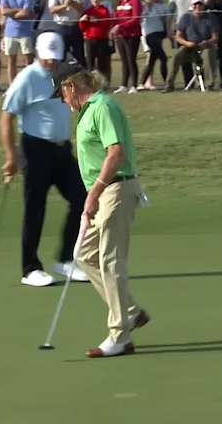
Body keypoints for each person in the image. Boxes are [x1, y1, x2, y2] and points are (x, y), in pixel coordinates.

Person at [55, 66, 149, 358]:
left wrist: (93, 193)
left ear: (71, 86)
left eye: (61, 92)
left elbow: (116, 152)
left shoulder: (103, 106)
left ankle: (119, 335)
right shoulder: (87, 111)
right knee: (84, 255)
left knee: (110, 262)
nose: (61, 99)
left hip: (117, 189)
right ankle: (130, 311)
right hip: (105, 191)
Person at [0, 32, 87, 287]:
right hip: (35, 149)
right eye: (47, 58)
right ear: (38, 53)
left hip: (61, 150)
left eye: (54, 59)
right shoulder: (26, 78)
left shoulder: (64, 74)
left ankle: (65, 260)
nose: (51, 63)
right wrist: (10, 156)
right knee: (35, 209)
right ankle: (30, 268)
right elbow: (7, 117)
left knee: (81, 199)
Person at [165, 0, 218, 92]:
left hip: (205, 47)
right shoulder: (185, 18)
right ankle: (169, 84)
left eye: (200, 4)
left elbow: (215, 37)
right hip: (189, 47)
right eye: (195, 5)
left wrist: (207, 42)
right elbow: (178, 36)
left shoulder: (210, 18)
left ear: (203, 6)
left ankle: (208, 84)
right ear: (191, 6)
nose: (197, 7)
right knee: (176, 57)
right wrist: (187, 43)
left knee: (208, 54)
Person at [0, 0, 35, 85]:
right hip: (9, 33)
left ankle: (28, 85)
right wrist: (18, 10)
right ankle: (12, 85)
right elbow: (3, 11)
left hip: (25, 32)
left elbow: (26, 13)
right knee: (11, 61)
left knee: (28, 60)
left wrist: (12, 13)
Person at [48, 0, 85, 64]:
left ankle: (80, 79)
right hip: (61, 27)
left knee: (79, 57)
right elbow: (52, 9)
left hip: (75, 26)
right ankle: (61, 79)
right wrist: (64, 6)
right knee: (60, 57)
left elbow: (81, 8)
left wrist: (72, 3)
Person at [111, 0, 141, 93]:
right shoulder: (119, 2)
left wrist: (121, 26)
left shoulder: (135, 1)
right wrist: (113, 28)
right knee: (124, 60)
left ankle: (134, 85)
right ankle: (123, 85)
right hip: (120, 36)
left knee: (131, 59)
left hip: (132, 35)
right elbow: (115, 17)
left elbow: (135, 19)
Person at [79, 0, 112, 83]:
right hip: (90, 40)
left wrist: (97, 21)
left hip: (102, 39)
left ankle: (103, 83)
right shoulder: (88, 11)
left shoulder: (104, 10)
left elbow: (107, 24)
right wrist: (82, 21)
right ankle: (90, 83)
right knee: (90, 62)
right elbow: (83, 28)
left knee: (102, 63)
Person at [139, 0, 168, 90]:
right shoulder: (145, 6)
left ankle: (141, 83)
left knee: (152, 60)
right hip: (150, 35)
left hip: (160, 34)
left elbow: (166, 20)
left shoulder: (162, 6)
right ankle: (166, 82)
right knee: (163, 58)